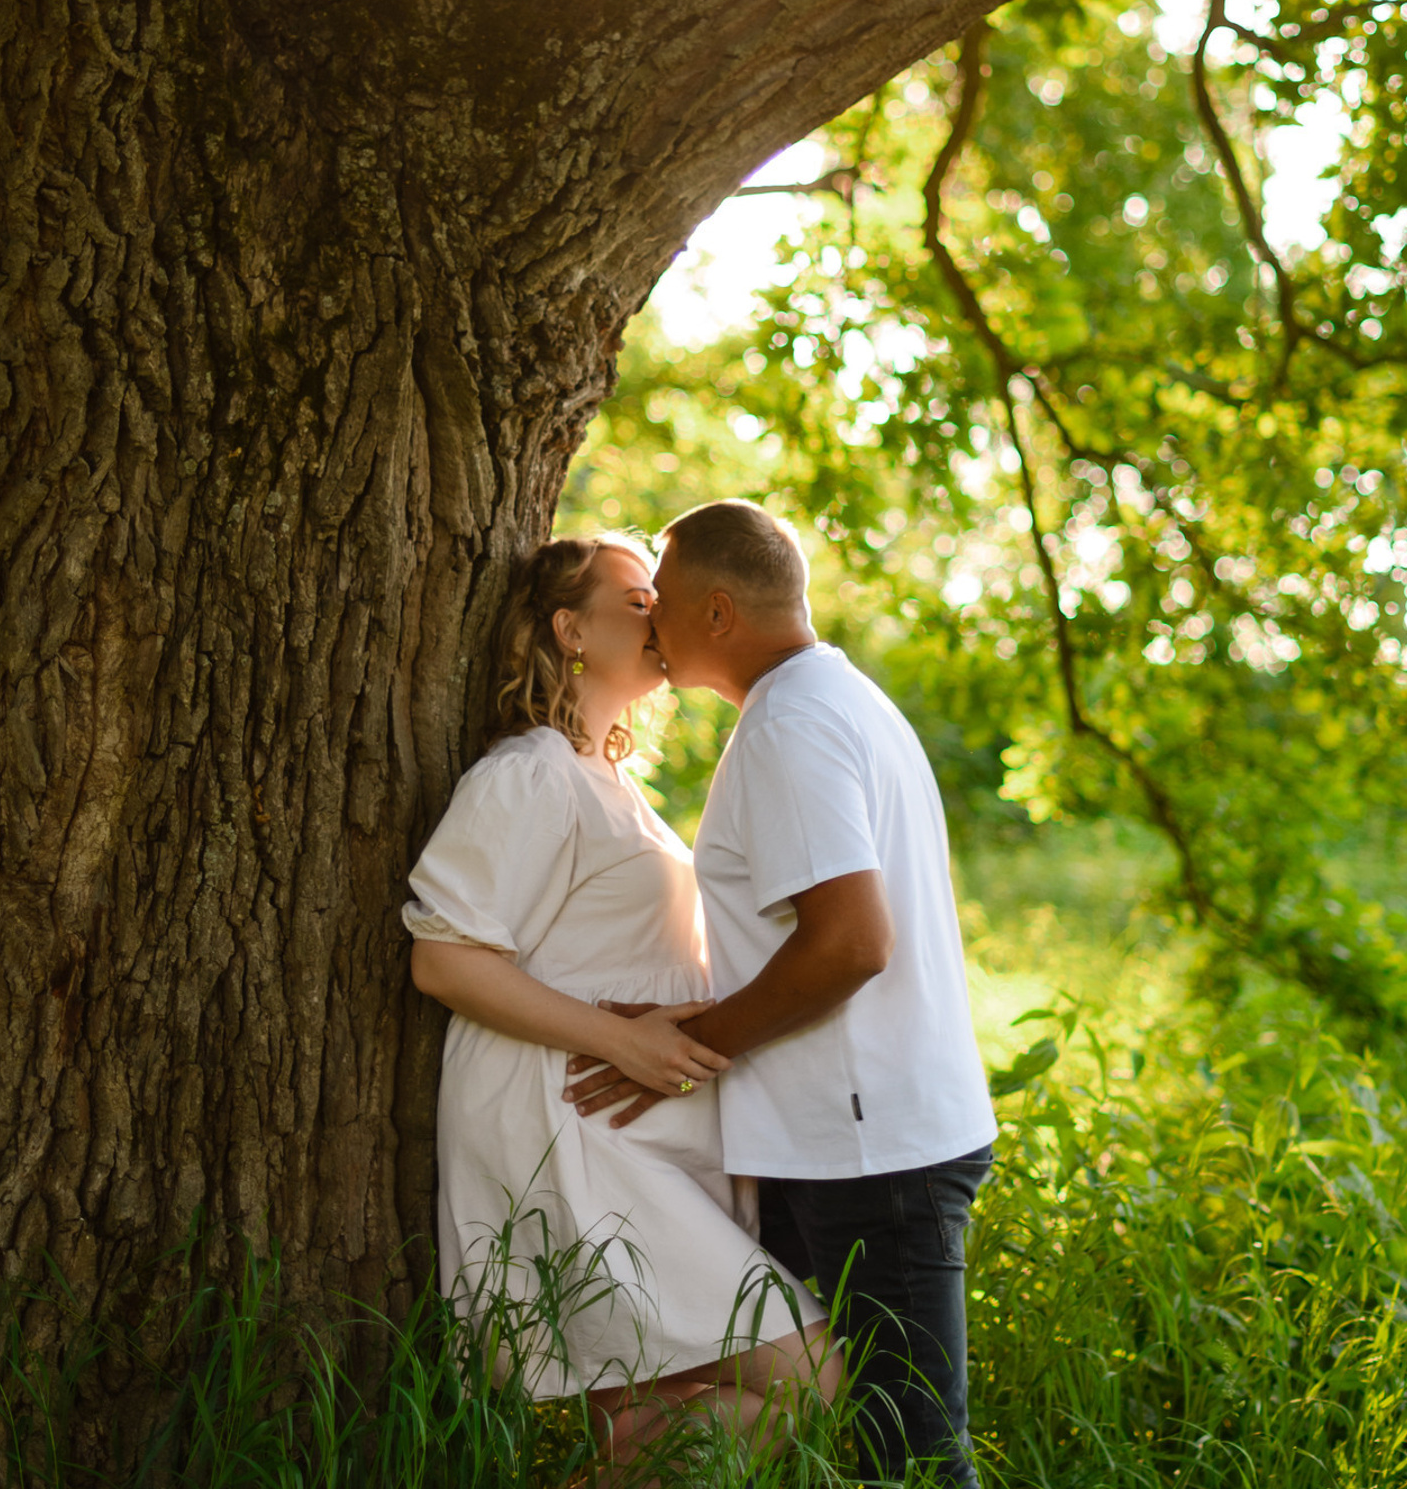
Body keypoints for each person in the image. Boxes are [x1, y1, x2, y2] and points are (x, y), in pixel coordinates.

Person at [565, 500, 998, 1489]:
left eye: (661, 604)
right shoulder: (829, 700)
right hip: (845, 1142)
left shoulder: (792, 726)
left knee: (917, 1459)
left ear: (718, 613)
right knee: (818, 1431)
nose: (650, 630)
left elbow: (850, 944)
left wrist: (692, 1048)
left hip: (878, 1154)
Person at [401, 533, 838, 1480]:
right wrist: (623, 1043)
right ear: (570, 631)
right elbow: (444, 960)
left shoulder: (608, 785)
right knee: (811, 1382)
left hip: (632, 1131)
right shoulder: (529, 774)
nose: (661, 610)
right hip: (570, 1132)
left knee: (649, 1425)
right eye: (638, 597)